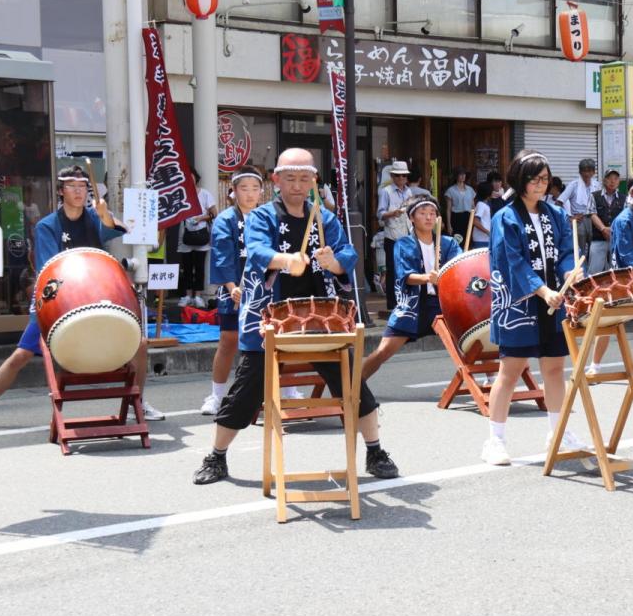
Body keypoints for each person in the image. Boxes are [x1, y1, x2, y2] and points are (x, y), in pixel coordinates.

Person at [192, 148, 399, 485]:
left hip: (320, 321)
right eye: (290, 178)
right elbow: (257, 249)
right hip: (269, 320)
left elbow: (347, 251)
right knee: (246, 392)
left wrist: (334, 262)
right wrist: (284, 260)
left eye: (305, 179)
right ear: (276, 180)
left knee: (352, 385)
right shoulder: (261, 217)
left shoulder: (323, 217)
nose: (298, 185)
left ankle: (375, 450)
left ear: (314, 181)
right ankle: (216, 457)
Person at [0, 166, 165, 431]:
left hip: (96, 298)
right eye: (72, 186)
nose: (79, 191)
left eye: (83, 187)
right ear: (60, 190)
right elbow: (50, 270)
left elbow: (118, 228)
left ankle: (139, 402)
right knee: (21, 354)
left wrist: (105, 216)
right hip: (57, 300)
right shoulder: (47, 226)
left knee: (140, 344)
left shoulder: (94, 218)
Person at [480, 149, 586, 466]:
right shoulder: (505, 217)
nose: (542, 185)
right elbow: (512, 262)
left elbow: (566, 250)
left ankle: (559, 432)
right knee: (510, 372)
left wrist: (569, 272)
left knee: (554, 369)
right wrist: (541, 290)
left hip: (553, 298)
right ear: (521, 181)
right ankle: (495, 440)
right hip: (521, 303)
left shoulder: (554, 213)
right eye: (535, 180)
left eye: (545, 179)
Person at [362, 196, 461, 380]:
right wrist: (427, 278)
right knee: (383, 351)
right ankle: (355, 386)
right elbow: (406, 276)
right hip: (413, 306)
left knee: (469, 342)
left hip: (442, 305)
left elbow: (459, 267)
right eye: (423, 213)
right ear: (412, 218)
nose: (429, 217)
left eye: (432, 213)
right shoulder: (404, 244)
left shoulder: (449, 244)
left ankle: (486, 380)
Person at [202, 165, 265, 416]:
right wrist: (231, 286)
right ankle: (217, 395)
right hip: (234, 288)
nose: (250, 194)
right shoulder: (226, 219)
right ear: (233, 191)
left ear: (262, 191)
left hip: (263, 290)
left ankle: (284, 392)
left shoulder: (267, 216)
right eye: (244, 188)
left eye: (255, 188)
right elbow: (221, 255)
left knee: (270, 341)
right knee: (229, 340)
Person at [377, 159, 415, 312]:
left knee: (406, 270)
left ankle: (405, 301)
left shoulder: (409, 191)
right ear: (392, 176)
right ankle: (392, 304)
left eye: (404, 176)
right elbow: (379, 214)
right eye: (398, 176)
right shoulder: (386, 192)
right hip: (392, 237)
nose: (401, 179)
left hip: (406, 235)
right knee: (392, 271)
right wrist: (394, 213)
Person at [177, 173, 218, 307]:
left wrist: (200, 218)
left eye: (192, 177)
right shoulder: (181, 194)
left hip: (201, 235)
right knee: (187, 267)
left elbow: (214, 213)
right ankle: (188, 295)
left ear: (196, 179)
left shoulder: (205, 194)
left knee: (199, 267)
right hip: (185, 235)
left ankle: (198, 296)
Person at [559, 158, 600, 272]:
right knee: (579, 250)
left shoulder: (597, 185)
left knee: (594, 249)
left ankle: (593, 273)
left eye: (589, 171)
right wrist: (570, 217)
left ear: (593, 172)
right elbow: (559, 202)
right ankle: (582, 273)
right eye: (584, 171)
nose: (587, 174)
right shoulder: (574, 185)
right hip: (579, 221)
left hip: (594, 220)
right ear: (580, 172)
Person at [588, 168, 623, 275]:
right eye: (609, 178)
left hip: (617, 240)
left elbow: (625, 218)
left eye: (615, 179)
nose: (612, 181)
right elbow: (592, 214)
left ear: (619, 181)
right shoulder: (594, 195)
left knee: (617, 271)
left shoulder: (624, 198)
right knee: (594, 271)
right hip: (598, 238)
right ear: (604, 180)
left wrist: (612, 230)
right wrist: (603, 229)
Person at [445, 167, 476, 241]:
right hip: (457, 217)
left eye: (464, 174)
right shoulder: (450, 190)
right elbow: (448, 209)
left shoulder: (470, 189)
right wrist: (449, 225)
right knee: (458, 239)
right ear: (456, 176)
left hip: (468, 216)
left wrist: (475, 218)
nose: (463, 176)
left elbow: (473, 206)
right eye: (460, 174)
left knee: (468, 239)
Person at [471, 183, 492, 248]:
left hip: (485, 238)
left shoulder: (484, 204)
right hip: (481, 239)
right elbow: (475, 221)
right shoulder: (481, 204)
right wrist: (488, 232)